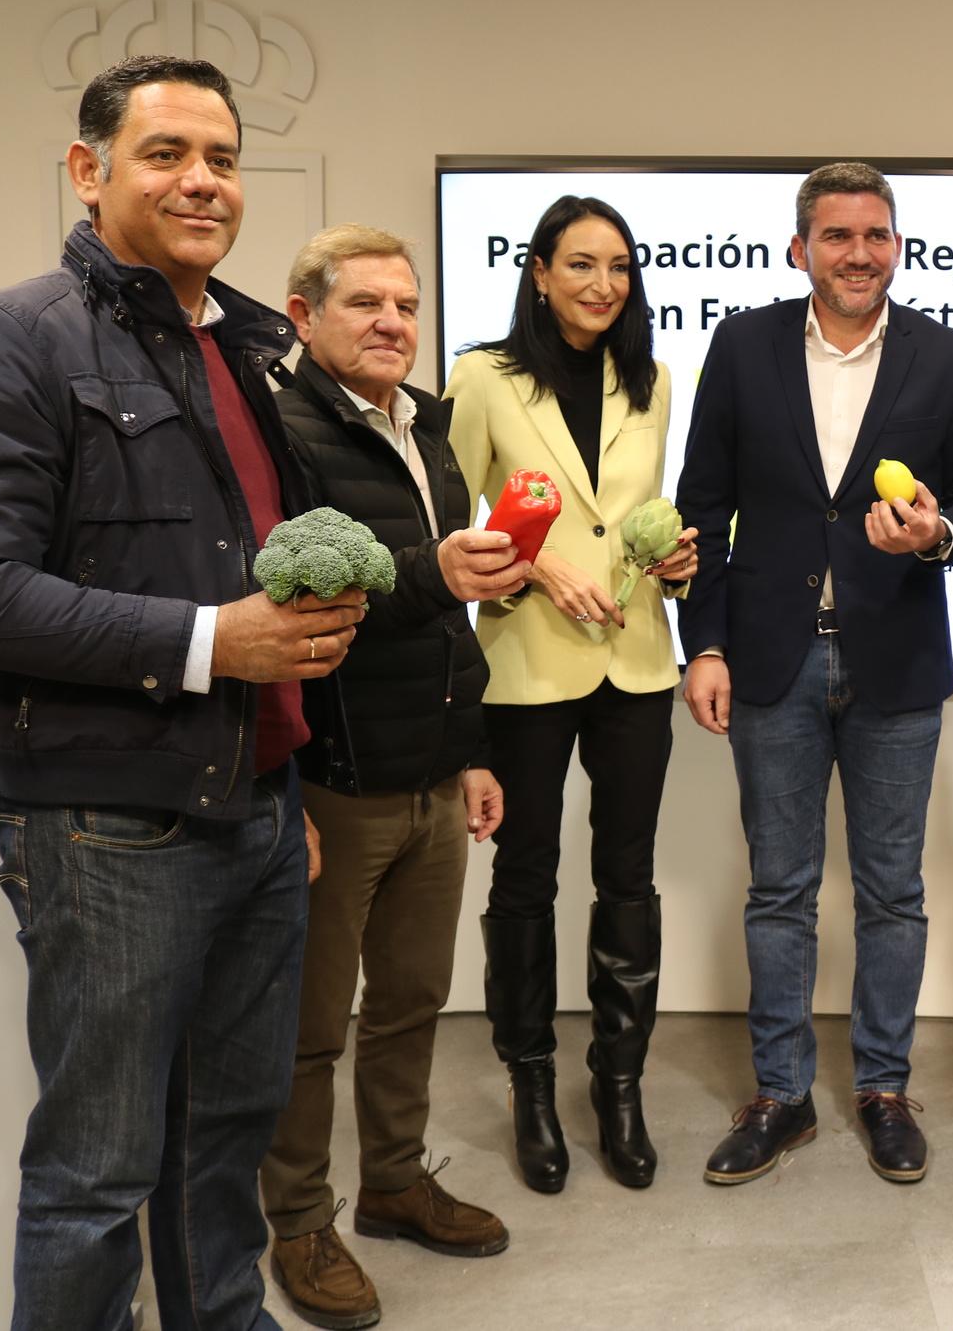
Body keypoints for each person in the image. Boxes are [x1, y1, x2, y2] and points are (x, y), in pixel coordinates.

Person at [0, 56, 368, 1330]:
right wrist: (217, 643)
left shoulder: (255, 348)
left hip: (257, 809)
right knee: (96, 1179)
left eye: (221, 158)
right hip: (111, 830)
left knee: (224, 1139)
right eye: (165, 154)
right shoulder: (3, 342)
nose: (201, 180)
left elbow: (256, 568)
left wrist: (285, 773)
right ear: (89, 170)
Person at [677, 162, 953, 1186]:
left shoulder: (947, 359)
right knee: (777, 889)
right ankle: (779, 1095)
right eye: (834, 235)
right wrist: (707, 645)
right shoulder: (740, 346)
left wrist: (934, 534)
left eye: (874, 234)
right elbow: (702, 508)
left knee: (891, 894)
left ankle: (880, 1089)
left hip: (894, 660)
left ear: (895, 246)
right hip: (770, 657)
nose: (856, 253)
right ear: (798, 248)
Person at [258, 224, 532, 1328]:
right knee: (312, 1024)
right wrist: (284, 791)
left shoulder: (427, 420)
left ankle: (392, 1181)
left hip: (427, 765)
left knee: (412, 1000)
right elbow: (287, 600)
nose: (391, 325)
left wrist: (468, 749)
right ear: (302, 313)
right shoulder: (277, 427)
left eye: (406, 307)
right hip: (334, 774)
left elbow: (441, 611)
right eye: (366, 304)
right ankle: (298, 1219)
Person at [445, 195, 697, 1195]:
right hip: (526, 662)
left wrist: (675, 562)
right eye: (582, 264)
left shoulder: (653, 381)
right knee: (526, 879)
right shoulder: (482, 378)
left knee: (628, 879)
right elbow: (457, 525)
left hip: (634, 656)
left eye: (620, 268)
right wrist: (537, 570)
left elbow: (639, 527)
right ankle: (533, 1086)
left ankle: (618, 1087)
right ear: (539, 271)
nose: (603, 285)